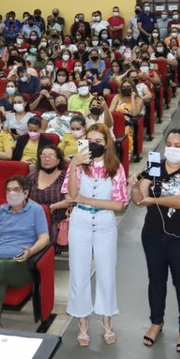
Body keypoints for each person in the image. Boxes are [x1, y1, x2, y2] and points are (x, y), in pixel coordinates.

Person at [129, 128, 180, 353]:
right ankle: (156, 322)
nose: (172, 149)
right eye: (169, 144)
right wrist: (134, 185)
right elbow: (139, 201)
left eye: (178, 145)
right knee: (156, 280)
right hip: (153, 235)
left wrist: (155, 200)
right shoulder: (154, 166)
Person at [62, 123, 128, 347]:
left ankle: (107, 320)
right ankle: (82, 323)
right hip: (79, 221)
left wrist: (88, 200)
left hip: (104, 221)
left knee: (106, 272)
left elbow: (119, 204)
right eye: (90, 141)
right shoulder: (79, 166)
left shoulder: (116, 167)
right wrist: (73, 165)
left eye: (98, 141)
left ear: (106, 143)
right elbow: (72, 194)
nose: (94, 145)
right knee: (78, 272)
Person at [0, 176, 50, 321]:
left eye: (16, 190)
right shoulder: (1, 210)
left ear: (25, 193)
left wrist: (31, 251)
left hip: (22, 265)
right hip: (0, 263)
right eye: (8, 190)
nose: (12, 193)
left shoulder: (36, 210)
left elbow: (45, 238)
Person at [27, 143, 71, 248]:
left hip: (56, 218)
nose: (46, 159)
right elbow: (23, 196)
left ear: (58, 160)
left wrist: (51, 207)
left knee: (50, 235)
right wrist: (39, 208)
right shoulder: (32, 177)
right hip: (33, 217)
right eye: (43, 156)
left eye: (50, 156)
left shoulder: (65, 177)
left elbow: (71, 199)